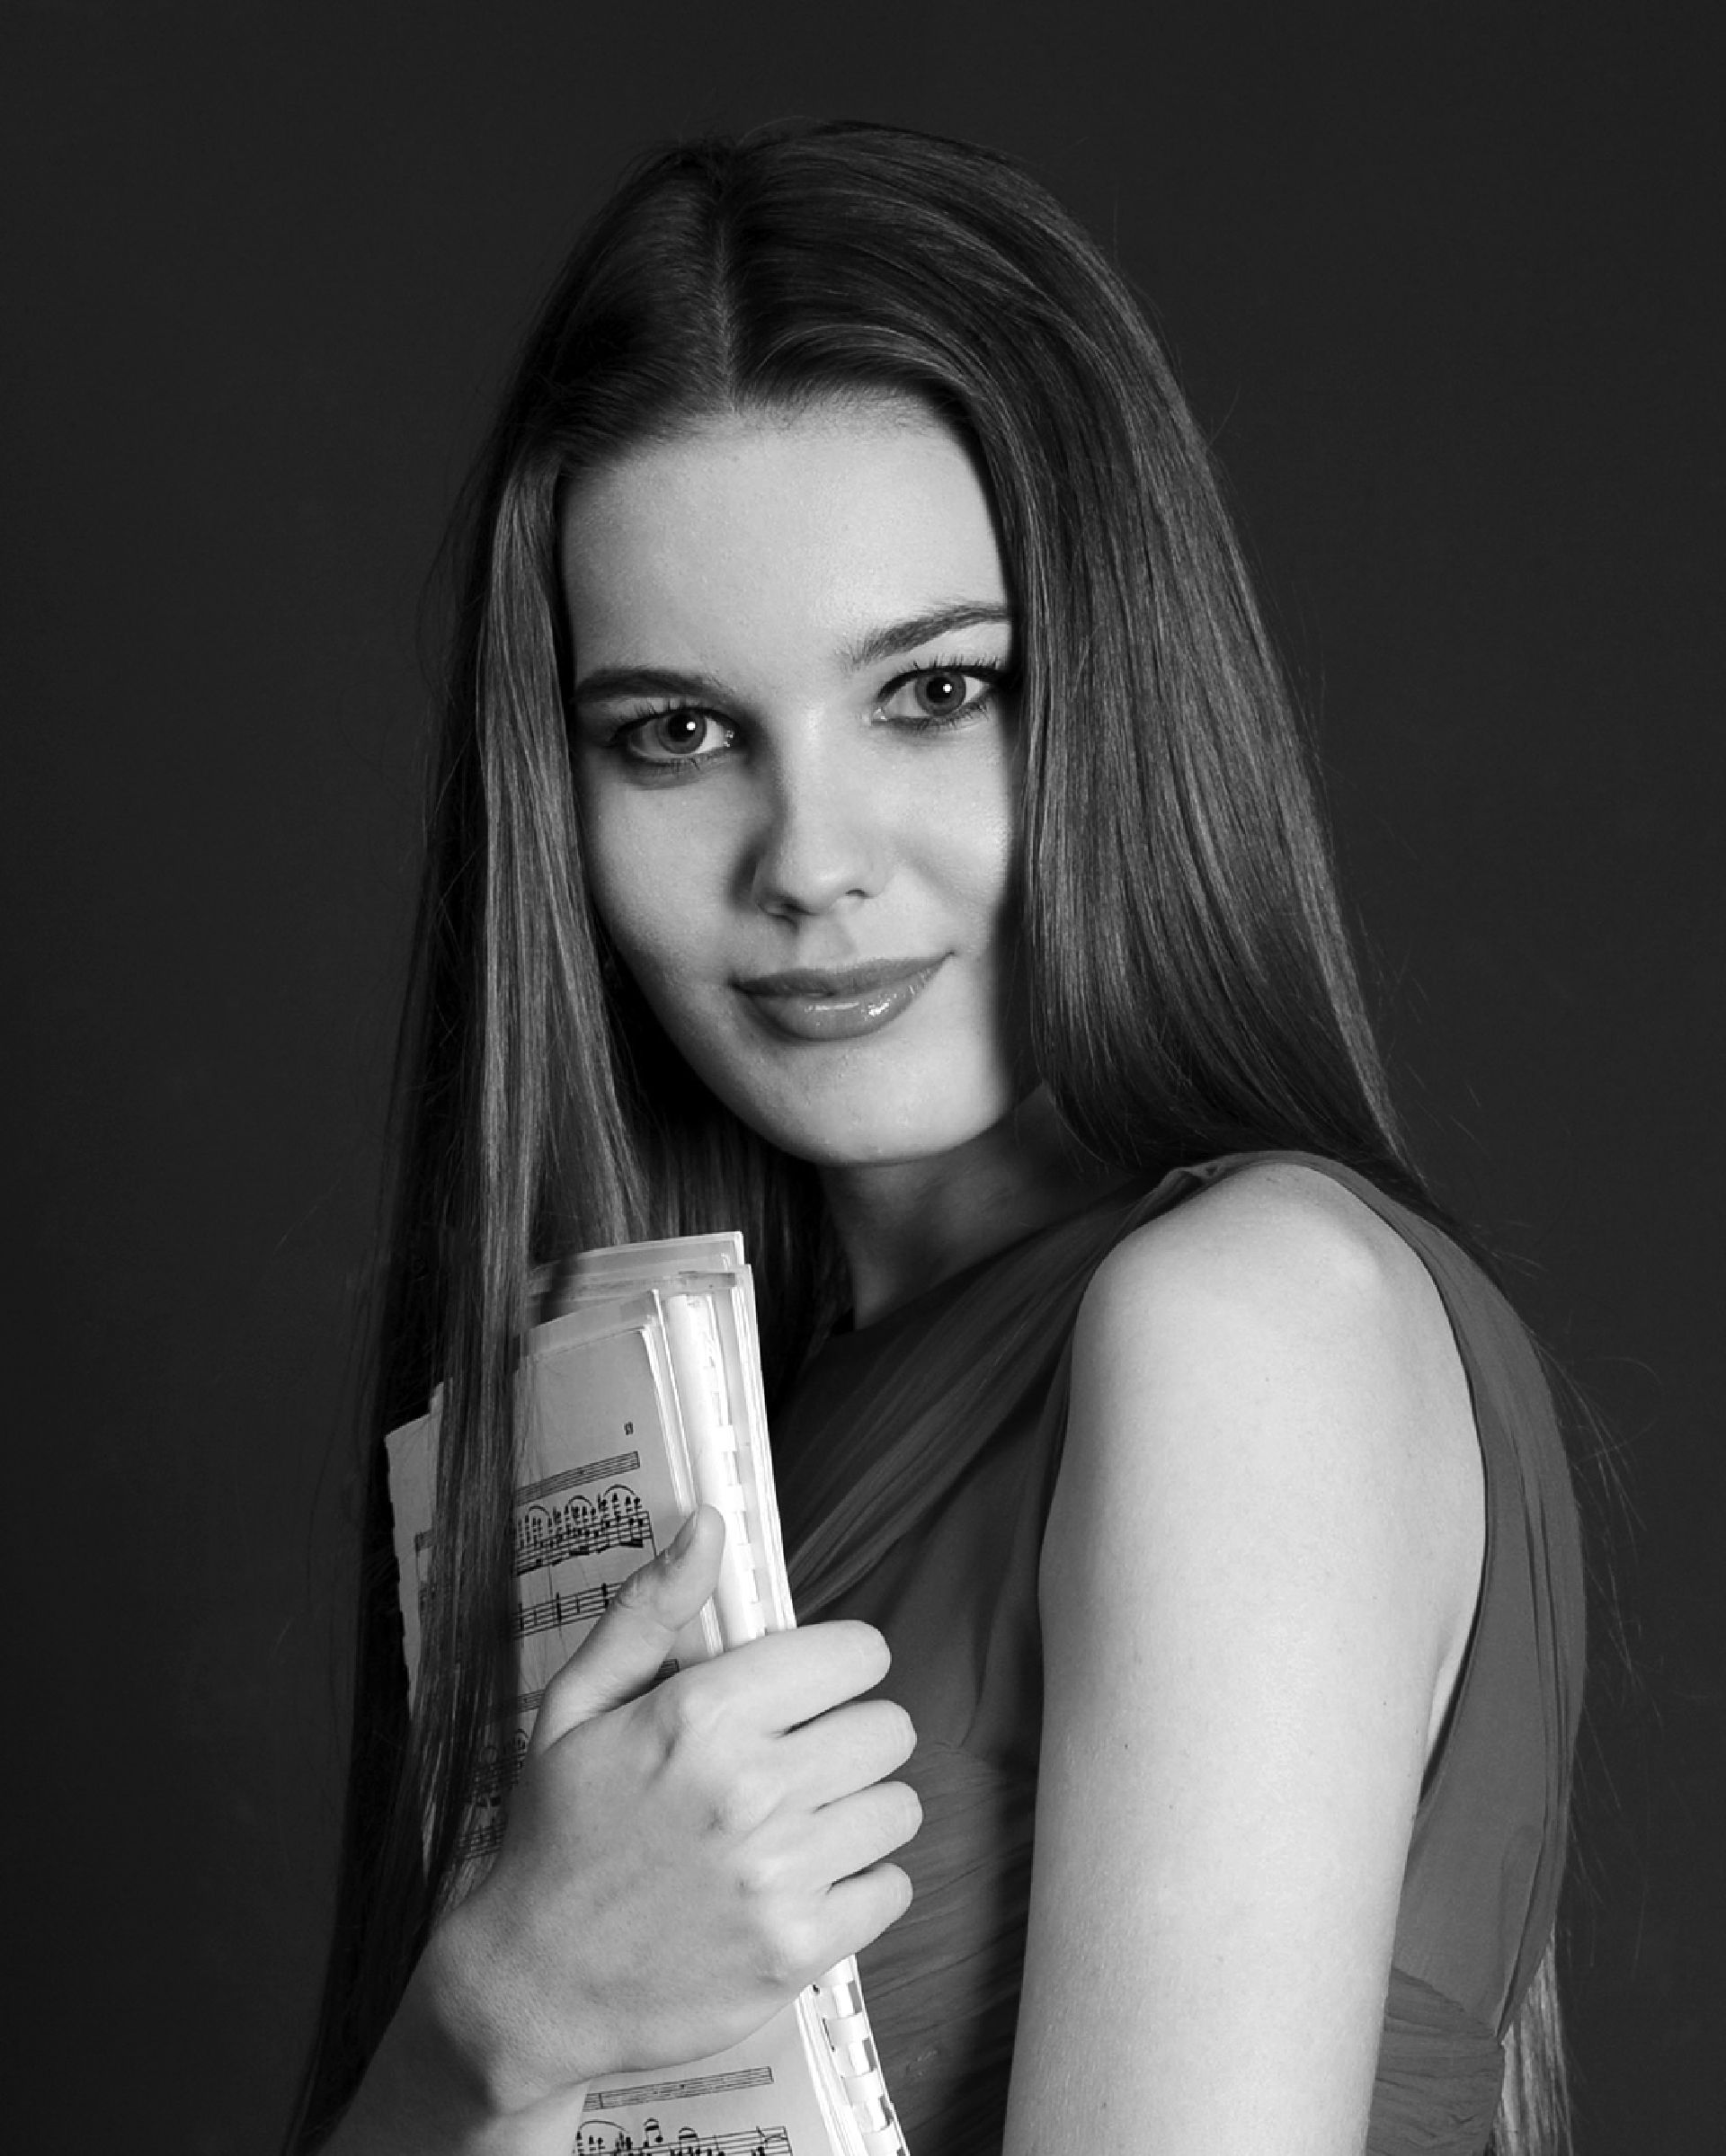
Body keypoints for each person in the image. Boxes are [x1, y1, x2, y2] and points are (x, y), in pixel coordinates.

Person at [290, 120, 1586, 2156]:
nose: (811, 861)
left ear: (1125, 689)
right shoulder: (653, 1427)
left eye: (936, 692)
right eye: (677, 733)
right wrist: (490, 2026)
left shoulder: (1251, 1325)